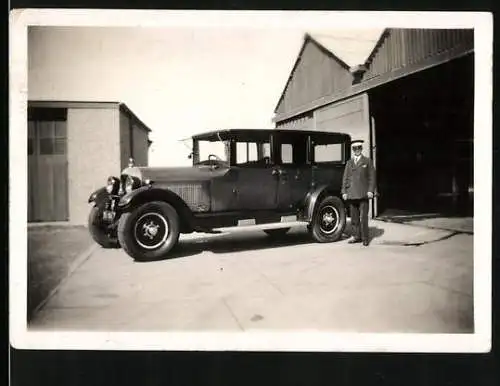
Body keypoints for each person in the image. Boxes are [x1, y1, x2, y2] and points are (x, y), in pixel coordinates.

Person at [341, 139, 376, 246]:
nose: (357, 150)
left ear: (361, 149)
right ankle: (356, 236)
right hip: (351, 194)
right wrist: (344, 192)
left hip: (363, 194)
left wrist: (371, 190)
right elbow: (345, 178)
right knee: (354, 218)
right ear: (352, 150)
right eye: (355, 149)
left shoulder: (367, 161)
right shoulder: (349, 163)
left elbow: (372, 177)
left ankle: (365, 238)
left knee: (363, 217)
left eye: (359, 148)